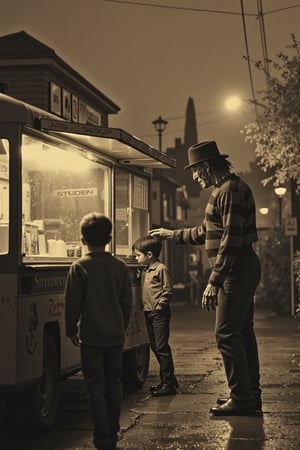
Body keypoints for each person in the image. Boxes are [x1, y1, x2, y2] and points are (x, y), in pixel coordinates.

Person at [150, 140, 262, 416]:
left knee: (225, 332)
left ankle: (242, 397)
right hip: (239, 268)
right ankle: (248, 394)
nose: (195, 176)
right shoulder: (223, 190)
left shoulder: (229, 191)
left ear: (208, 167)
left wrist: (213, 281)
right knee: (242, 331)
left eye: (196, 171)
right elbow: (206, 230)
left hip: (237, 269)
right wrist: (172, 235)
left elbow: (230, 241)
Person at [64, 213, 132, 450]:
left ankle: (101, 437)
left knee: (95, 386)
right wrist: (120, 326)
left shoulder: (79, 267)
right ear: (110, 238)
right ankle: (113, 430)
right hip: (114, 336)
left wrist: (71, 329)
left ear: (82, 240)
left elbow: (72, 303)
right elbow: (127, 303)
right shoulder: (120, 267)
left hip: (91, 337)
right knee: (114, 383)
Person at [133, 234, 178, 397]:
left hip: (159, 314)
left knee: (161, 347)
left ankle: (168, 384)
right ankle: (169, 379)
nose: (136, 258)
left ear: (149, 255)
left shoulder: (161, 269)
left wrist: (160, 307)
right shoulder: (146, 270)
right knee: (155, 346)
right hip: (148, 312)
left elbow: (168, 290)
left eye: (138, 255)